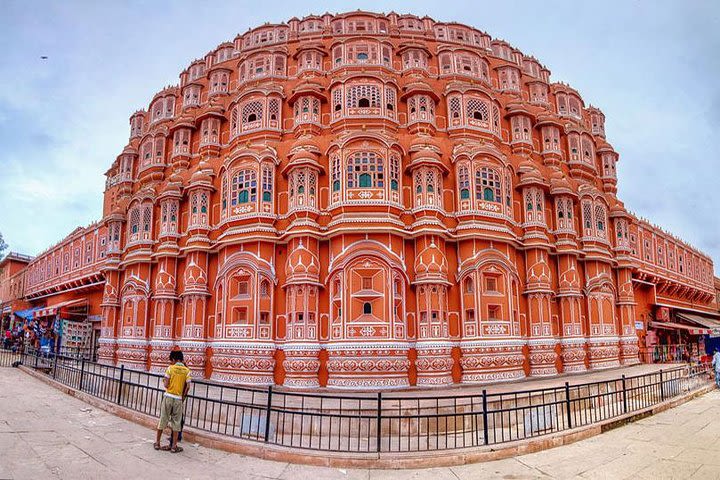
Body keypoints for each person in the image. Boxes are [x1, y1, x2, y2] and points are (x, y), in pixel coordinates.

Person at [154, 348, 191, 452]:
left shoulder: (170, 368)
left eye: (171, 360)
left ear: (174, 359)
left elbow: (166, 384)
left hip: (168, 396)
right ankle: (174, 446)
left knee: (163, 419)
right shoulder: (187, 371)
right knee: (176, 423)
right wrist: (183, 396)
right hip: (178, 399)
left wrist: (168, 384)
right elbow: (188, 386)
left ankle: (157, 443)